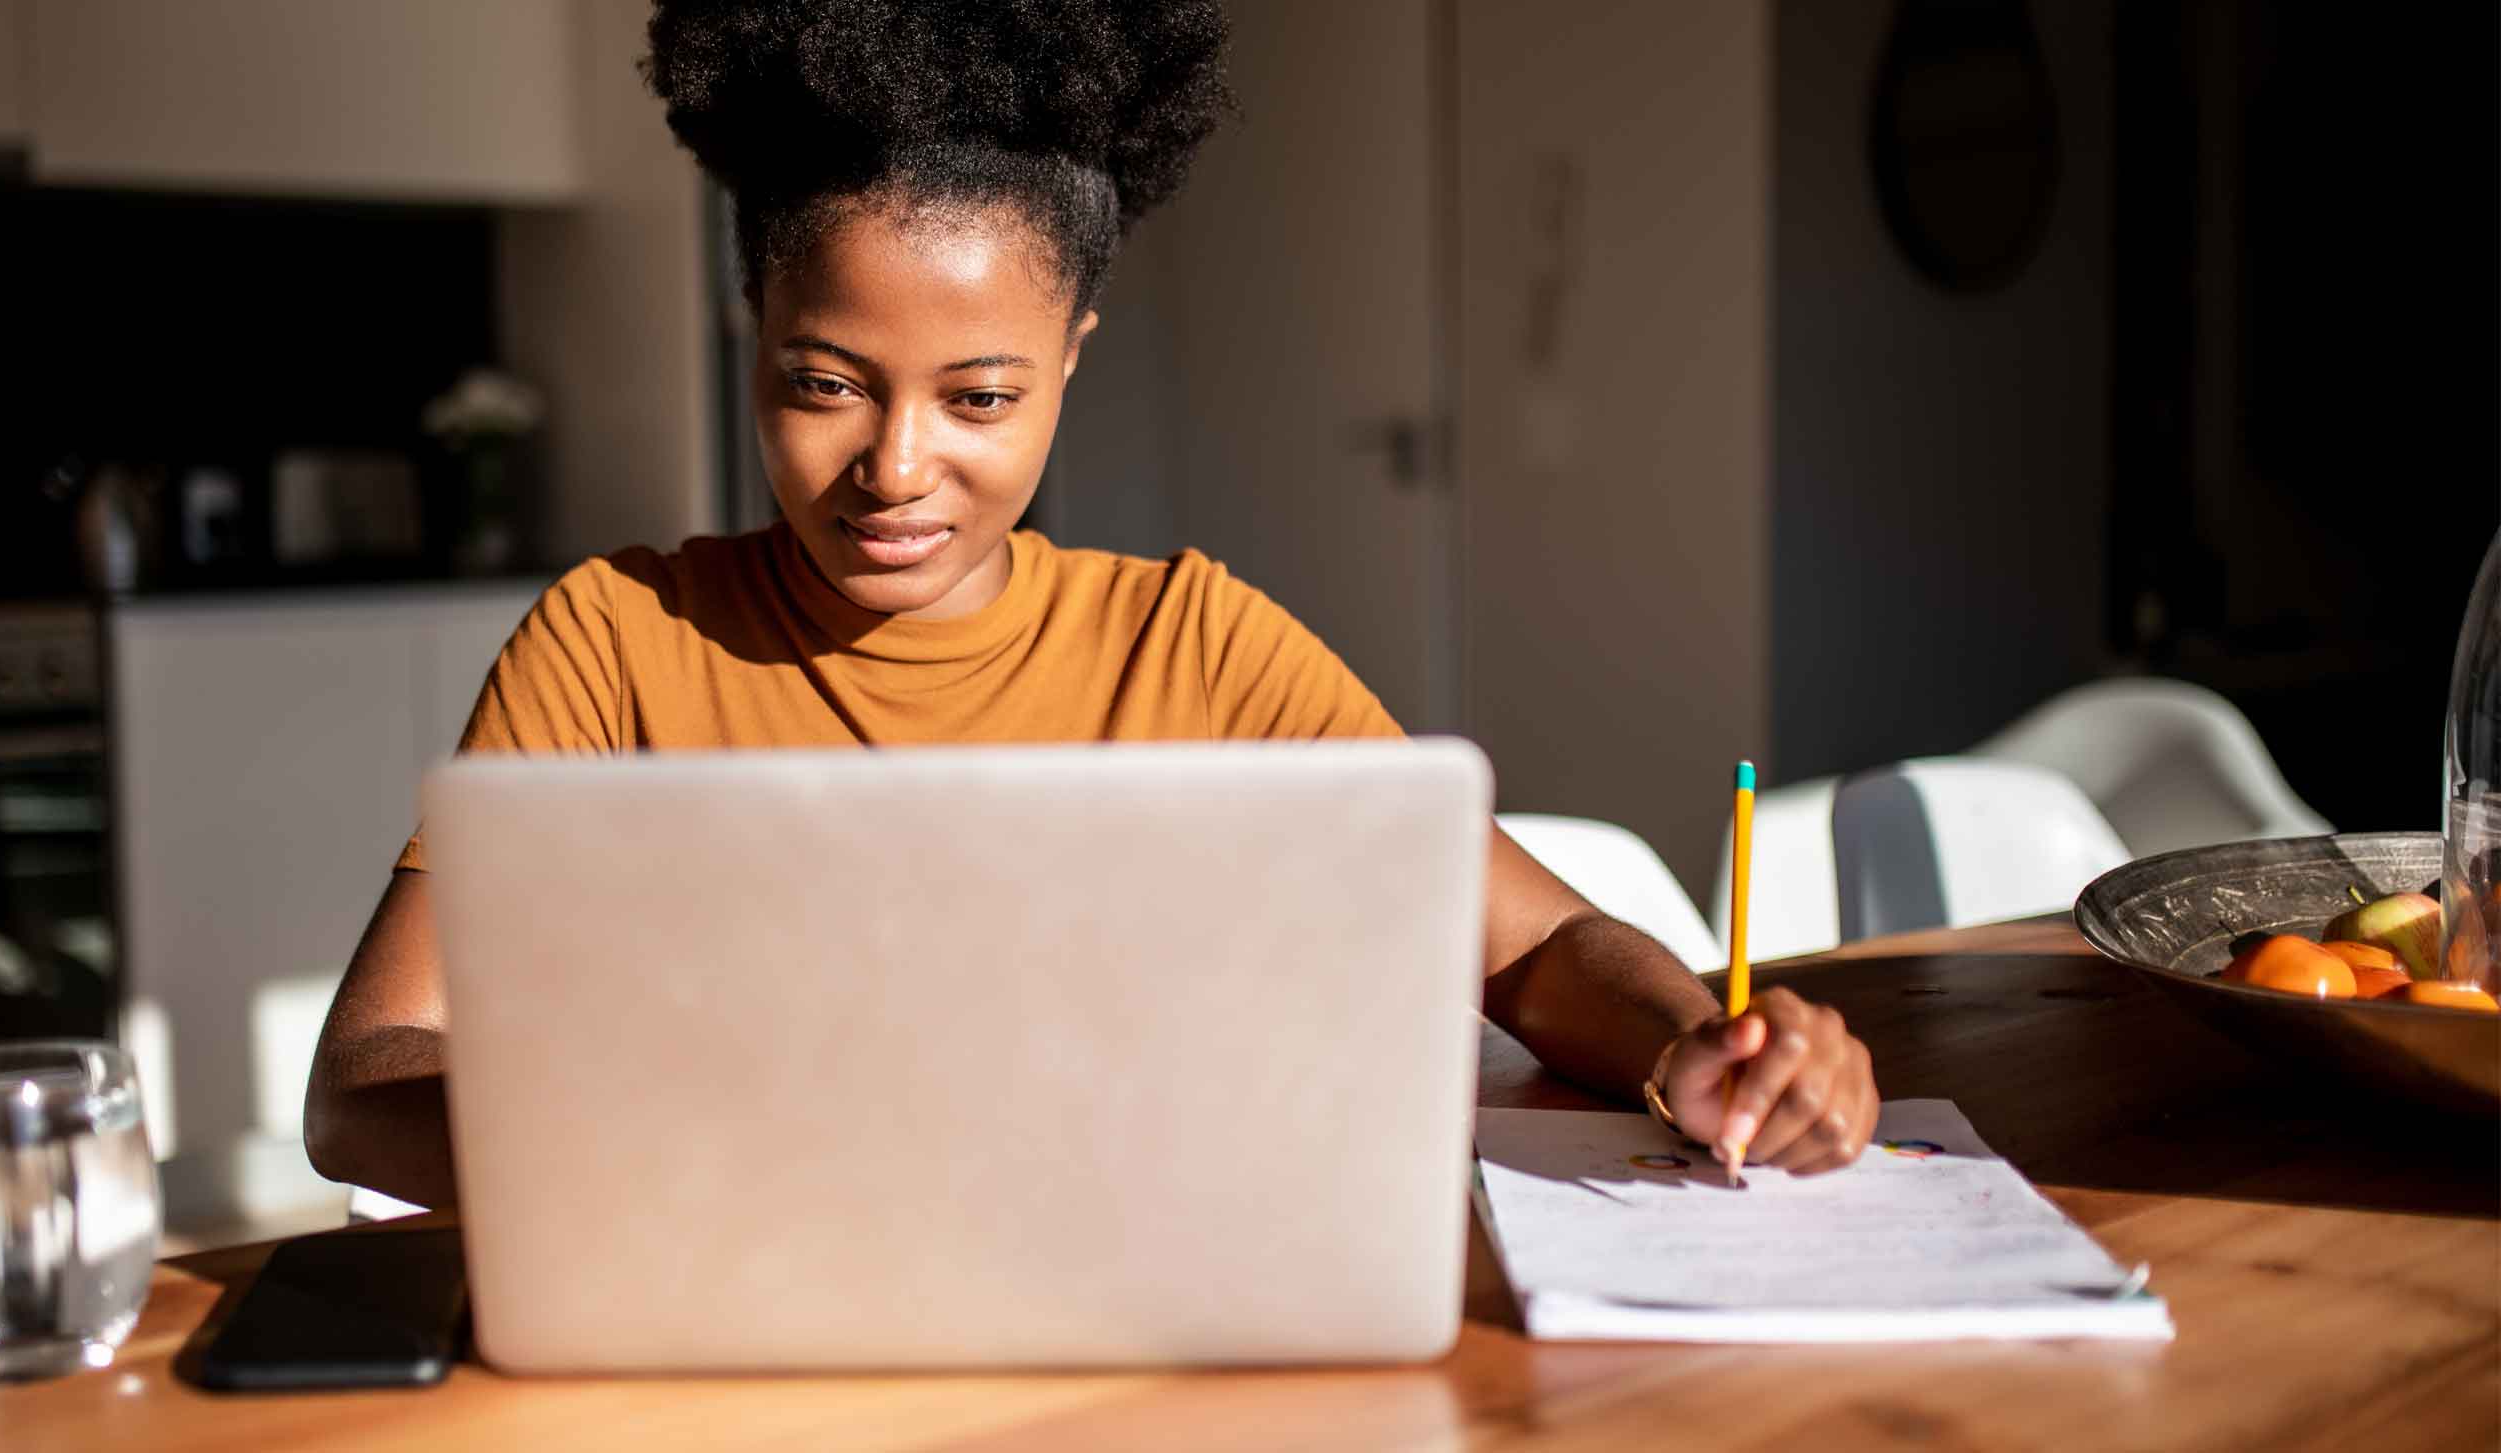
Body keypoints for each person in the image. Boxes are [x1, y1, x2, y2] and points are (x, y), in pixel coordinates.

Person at [304, 0, 1878, 1211]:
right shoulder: (614, 646)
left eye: (980, 396)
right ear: (754, 331)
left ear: (1071, 360)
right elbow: (365, 1074)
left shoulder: (1195, 648)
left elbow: (1536, 953)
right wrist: (640, 1139)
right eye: (823, 385)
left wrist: (1700, 1048)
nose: (897, 466)